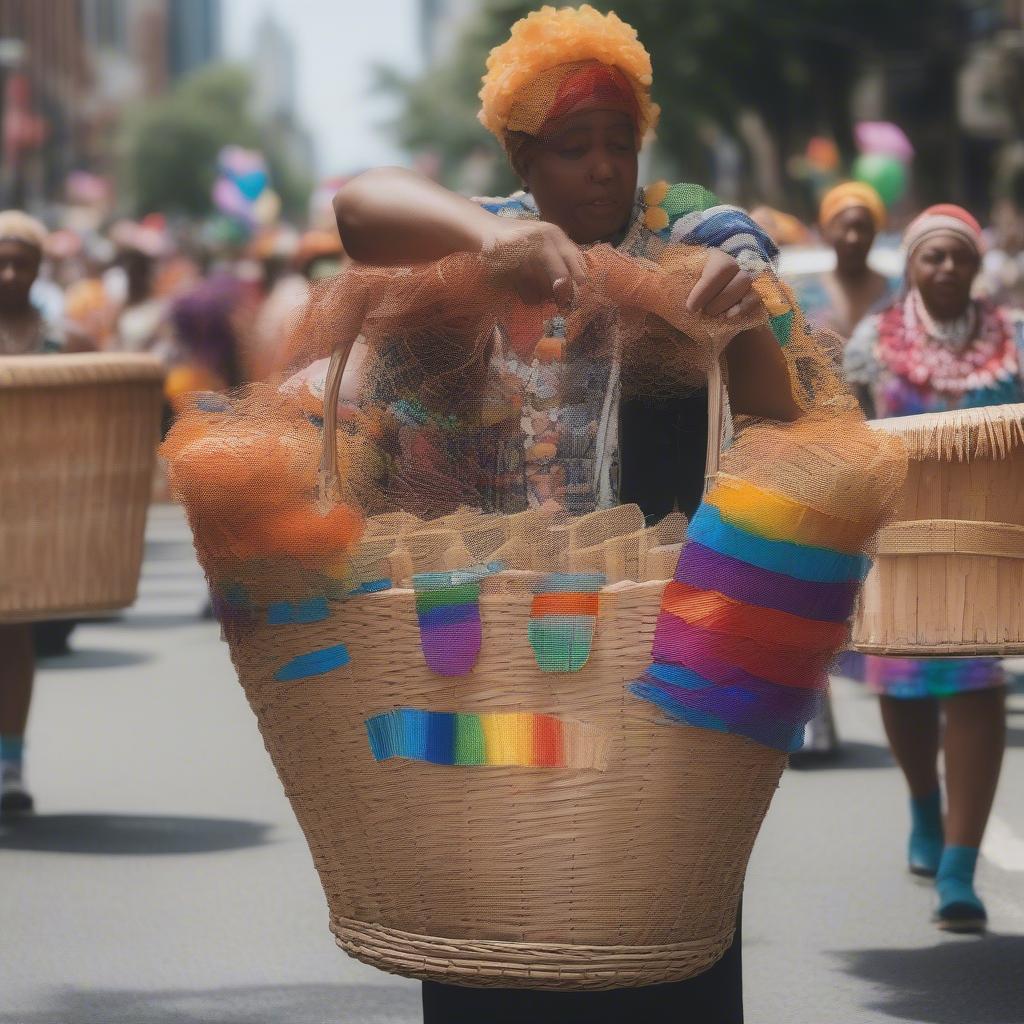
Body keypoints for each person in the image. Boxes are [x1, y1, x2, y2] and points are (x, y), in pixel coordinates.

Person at [333, 7, 805, 1021]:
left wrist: (729, 304)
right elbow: (359, 208)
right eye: (572, 147)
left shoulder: (689, 236)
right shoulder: (485, 230)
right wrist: (493, 237)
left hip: (654, 655)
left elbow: (774, 382)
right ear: (522, 156)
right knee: (494, 900)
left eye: (618, 147)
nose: (600, 170)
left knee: (656, 912)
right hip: (492, 644)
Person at [844, 204, 1023, 932]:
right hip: (899, 540)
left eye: (959, 256)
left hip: (986, 539)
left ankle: (958, 866)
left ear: (979, 265)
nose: (946, 268)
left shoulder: (1013, 342)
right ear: (912, 265)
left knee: (976, 684)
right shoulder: (871, 344)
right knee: (906, 681)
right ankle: (924, 803)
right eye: (932, 257)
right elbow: (844, 431)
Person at [0, 210, 62, 816]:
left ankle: (9, 763)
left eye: (23, 261)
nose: (11, 271)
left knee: (13, 630)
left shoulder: (63, 338)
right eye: (2, 259)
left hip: (27, 508)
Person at [791, 182, 899, 347]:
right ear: (826, 231)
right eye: (844, 227)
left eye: (862, 228)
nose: (853, 238)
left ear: (875, 232)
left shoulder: (897, 292)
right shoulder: (804, 295)